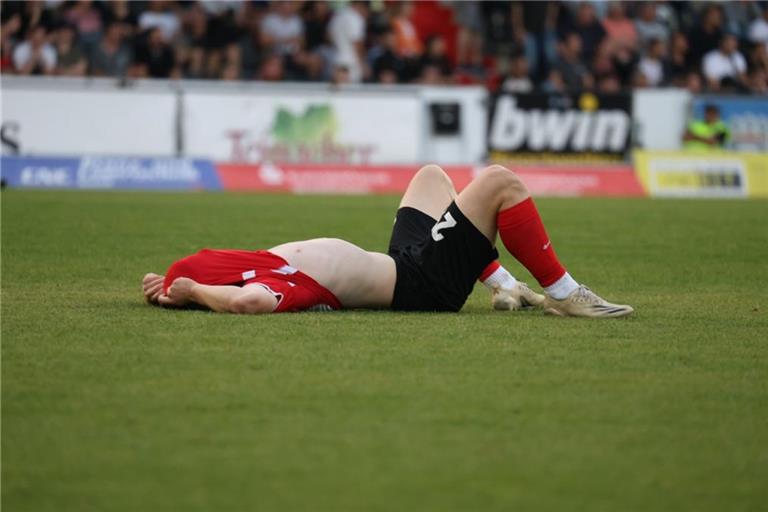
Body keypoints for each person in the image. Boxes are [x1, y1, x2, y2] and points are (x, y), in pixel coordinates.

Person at [143, 165, 633, 318]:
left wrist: (171, 285)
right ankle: (567, 294)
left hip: (404, 261)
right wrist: (191, 292)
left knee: (431, 177)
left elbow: (231, 285)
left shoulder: (256, 267)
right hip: (423, 285)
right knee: (500, 183)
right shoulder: (266, 286)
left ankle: (504, 285)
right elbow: (246, 303)